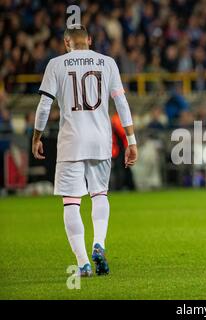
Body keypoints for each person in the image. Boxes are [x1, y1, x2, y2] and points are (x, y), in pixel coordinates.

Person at [32, 24, 138, 277]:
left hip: (71, 141)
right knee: (99, 194)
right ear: (89, 40)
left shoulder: (56, 64)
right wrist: (132, 140)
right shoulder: (108, 62)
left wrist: (36, 137)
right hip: (101, 140)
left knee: (71, 203)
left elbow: (44, 106)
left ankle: (83, 264)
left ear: (66, 43)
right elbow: (121, 103)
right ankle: (98, 244)